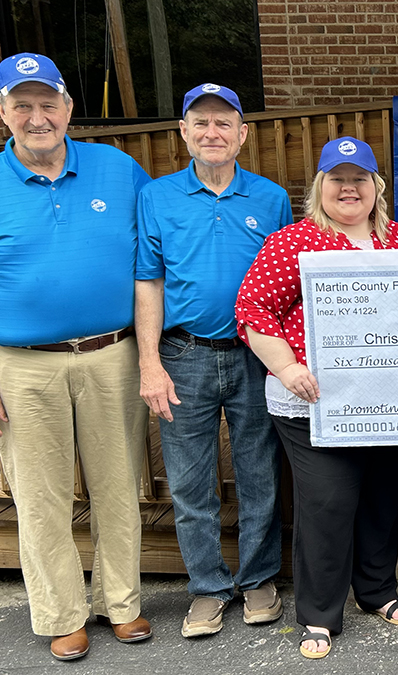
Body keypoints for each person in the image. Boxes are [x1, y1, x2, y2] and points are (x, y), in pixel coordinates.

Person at [0, 53, 152, 660]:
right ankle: (60, 612)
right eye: (21, 104)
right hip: (19, 364)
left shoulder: (119, 171)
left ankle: (121, 602)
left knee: (118, 486)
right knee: (40, 495)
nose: (37, 116)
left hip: (112, 354)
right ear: (1, 111)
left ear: (68, 108)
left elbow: (150, 266)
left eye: (47, 102)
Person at [235, 137, 398, 658]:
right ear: (321, 187)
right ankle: (318, 613)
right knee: (329, 502)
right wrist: (287, 367)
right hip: (313, 400)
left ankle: (377, 590)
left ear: (375, 188)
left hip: (387, 399)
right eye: (337, 179)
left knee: (381, 499)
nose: (348, 188)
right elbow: (252, 311)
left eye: (359, 179)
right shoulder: (294, 242)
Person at [135, 84, 291, 638]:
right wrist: (150, 362)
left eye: (224, 123)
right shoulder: (157, 197)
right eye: (200, 123)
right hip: (183, 355)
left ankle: (258, 580)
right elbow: (148, 282)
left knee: (259, 474)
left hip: (253, 355)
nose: (212, 133)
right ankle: (206, 586)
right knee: (189, 482)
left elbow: (285, 287)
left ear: (243, 134)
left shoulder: (271, 198)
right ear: (183, 132)